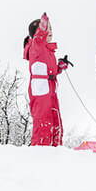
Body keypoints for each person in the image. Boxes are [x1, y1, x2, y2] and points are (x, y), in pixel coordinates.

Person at [23, 13, 72, 146]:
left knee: (55, 119)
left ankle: (55, 148)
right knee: (43, 120)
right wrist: (43, 23)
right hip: (40, 90)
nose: (50, 32)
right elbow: (39, 36)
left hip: (51, 89)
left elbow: (51, 71)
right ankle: (40, 148)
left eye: (51, 29)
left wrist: (60, 67)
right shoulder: (36, 46)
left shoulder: (48, 51)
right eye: (47, 29)